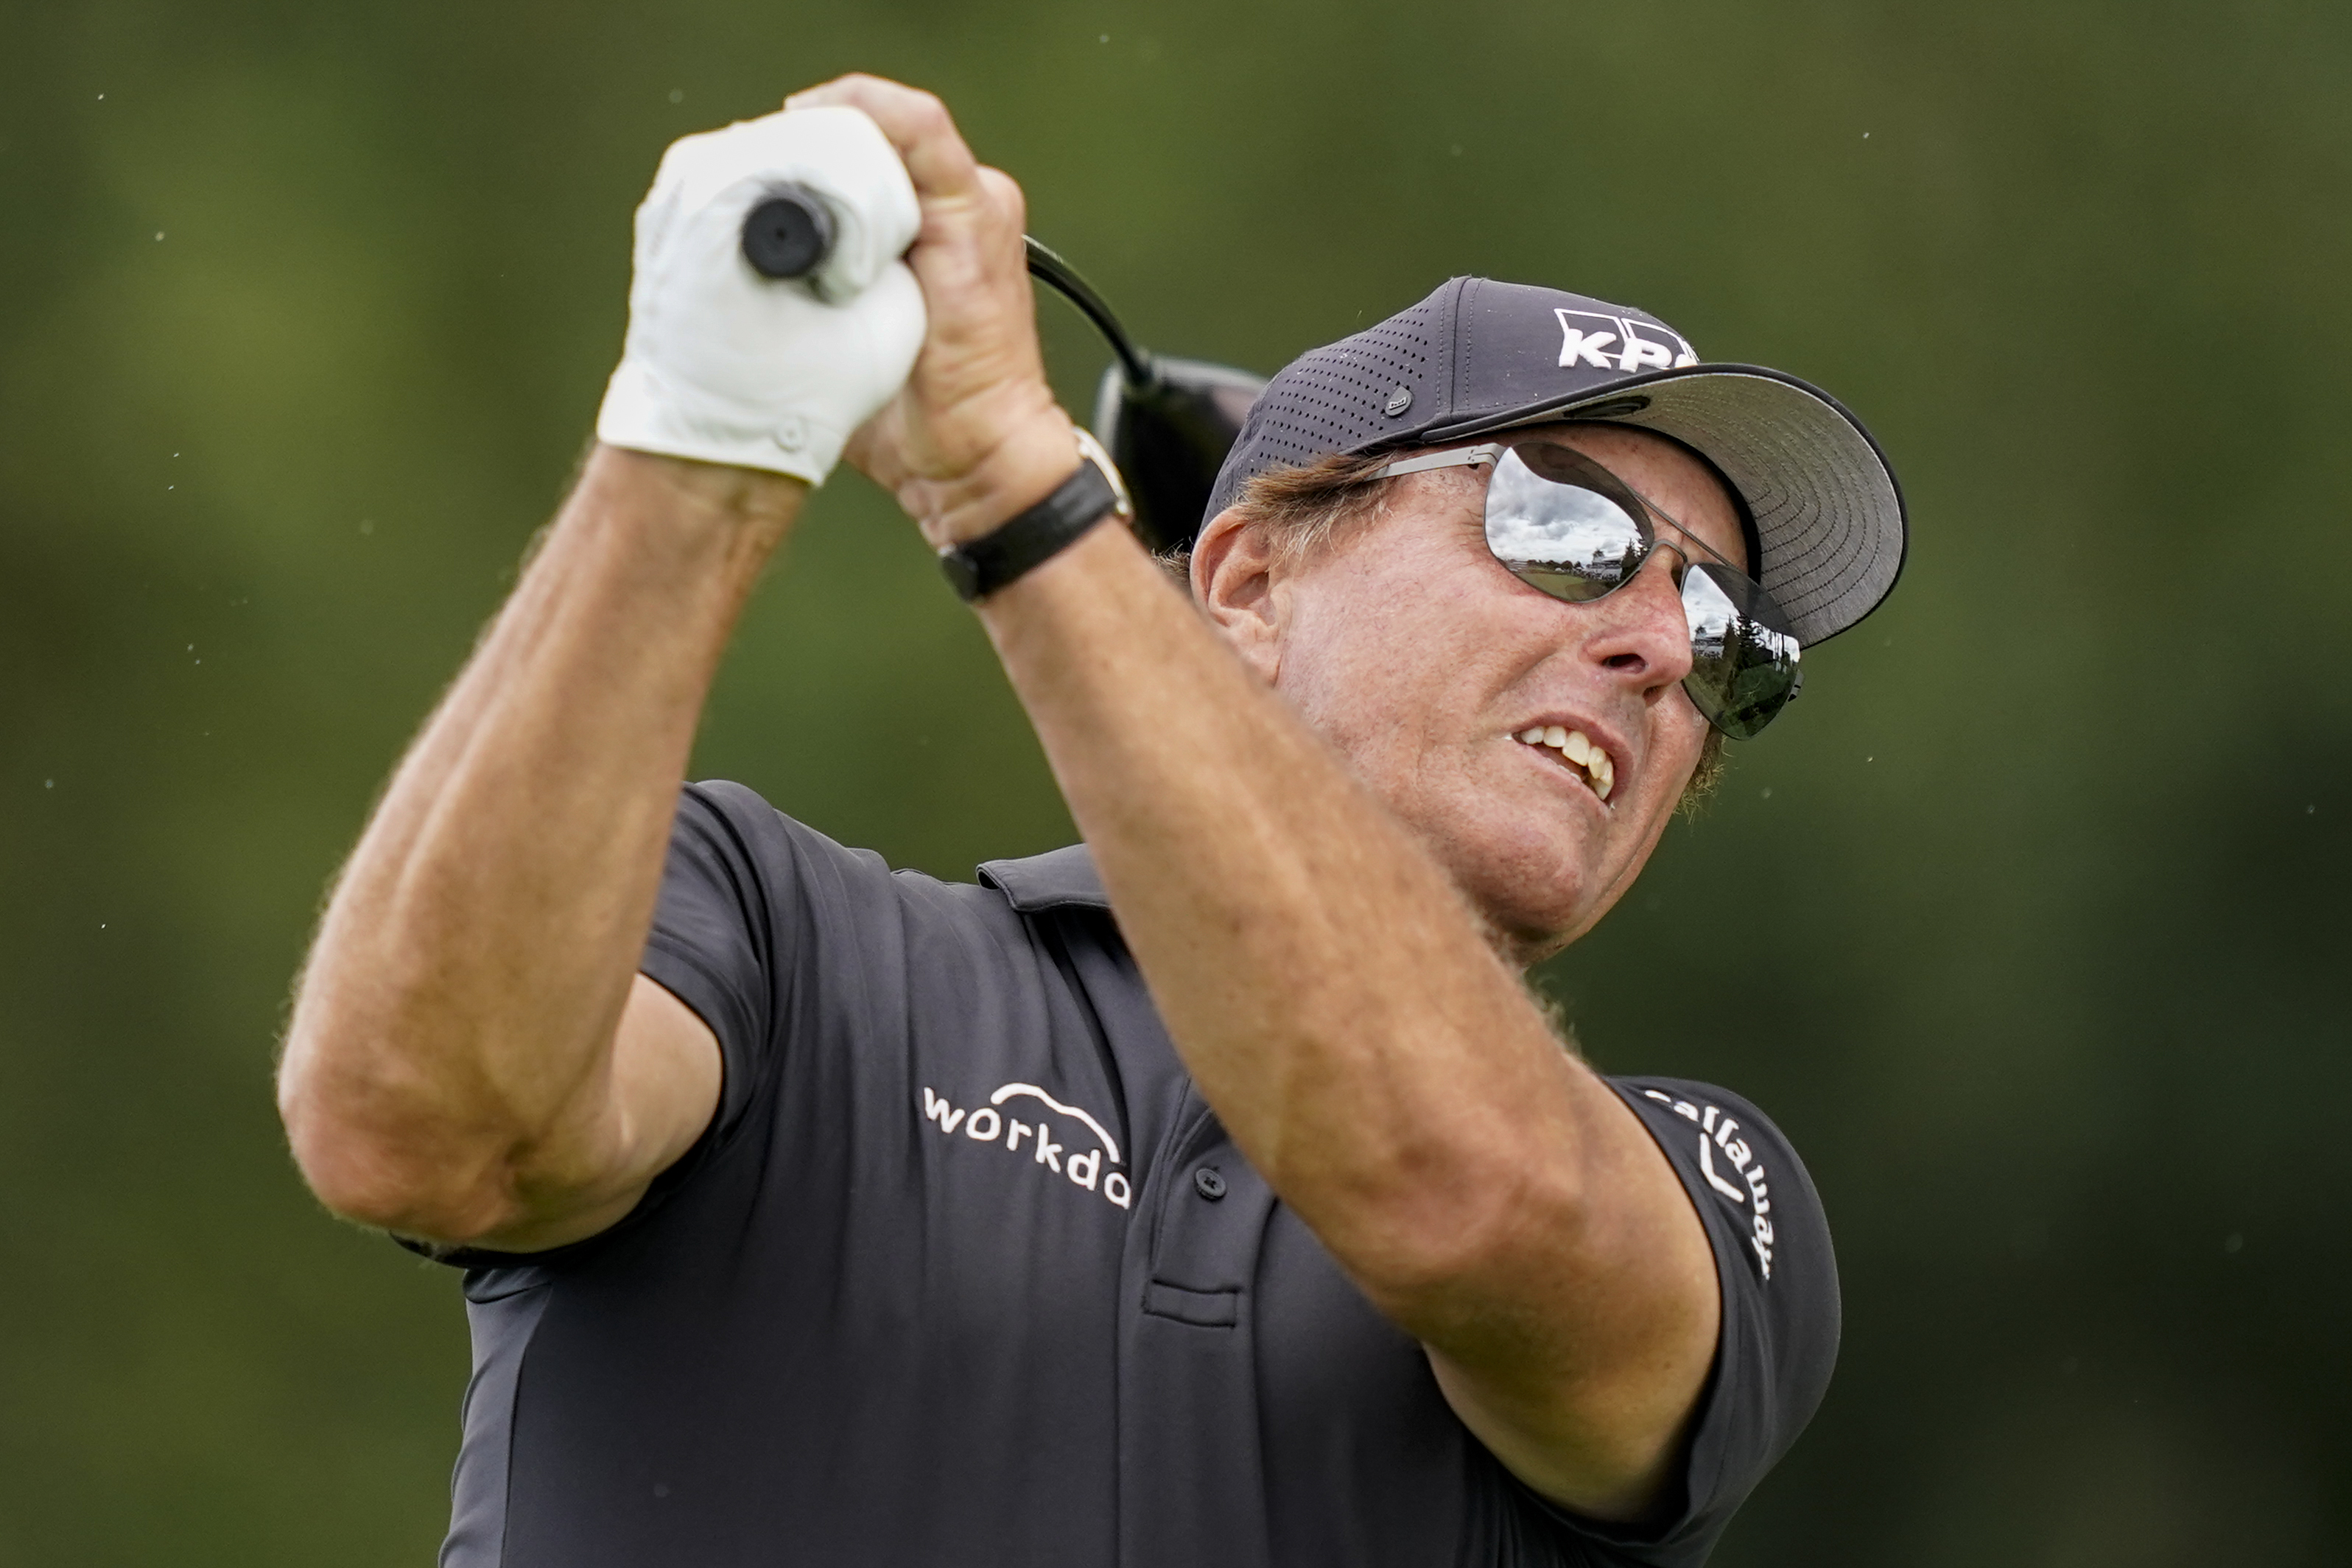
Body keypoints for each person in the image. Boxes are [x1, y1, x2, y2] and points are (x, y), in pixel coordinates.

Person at [277, 72, 1903, 1568]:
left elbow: (1453, 1186)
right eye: (1563, 524)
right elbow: (417, 1122)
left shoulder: (1703, 1192)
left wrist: (1004, 481)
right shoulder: (775, 940)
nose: (1659, 644)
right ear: (1250, 580)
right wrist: (696, 439)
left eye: (1728, 634)